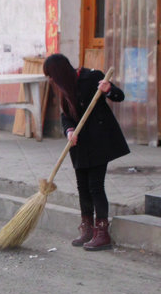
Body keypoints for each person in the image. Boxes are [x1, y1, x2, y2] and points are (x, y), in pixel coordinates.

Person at [43, 54, 130, 251]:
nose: (51, 80)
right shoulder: (64, 87)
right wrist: (69, 130)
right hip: (79, 143)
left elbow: (119, 96)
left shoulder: (92, 77)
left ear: (59, 72)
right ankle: (87, 229)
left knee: (95, 186)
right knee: (82, 186)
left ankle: (103, 233)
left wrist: (109, 90)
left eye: (51, 75)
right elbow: (65, 115)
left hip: (99, 140)